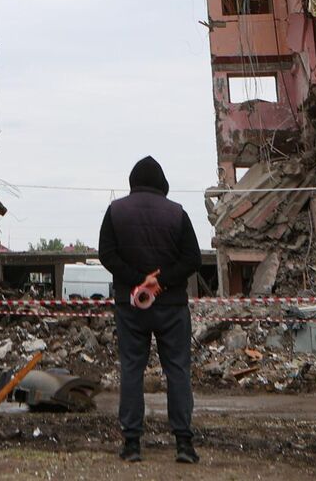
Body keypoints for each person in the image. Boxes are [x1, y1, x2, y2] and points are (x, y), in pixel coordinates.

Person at [98, 155, 204, 464]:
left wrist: (137, 281)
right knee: (178, 371)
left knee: (132, 369)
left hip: (130, 307)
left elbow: (107, 254)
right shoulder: (177, 214)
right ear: (162, 184)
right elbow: (193, 259)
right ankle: (184, 444)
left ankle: (131, 444)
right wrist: (161, 282)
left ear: (133, 182)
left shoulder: (116, 211)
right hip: (171, 307)